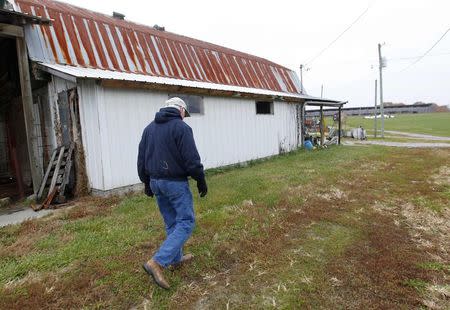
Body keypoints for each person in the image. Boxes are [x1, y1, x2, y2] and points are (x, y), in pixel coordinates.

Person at [137, 97, 208, 289]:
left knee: (172, 223)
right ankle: (158, 262)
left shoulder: (149, 129)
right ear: (181, 110)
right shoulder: (181, 128)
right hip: (174, 183)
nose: (185, 117)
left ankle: (175, 260)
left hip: (156, 182)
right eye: (185, 113)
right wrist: (200, 180)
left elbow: (141, 158)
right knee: (186, 222)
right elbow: (192, 160)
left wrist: (146, 183)